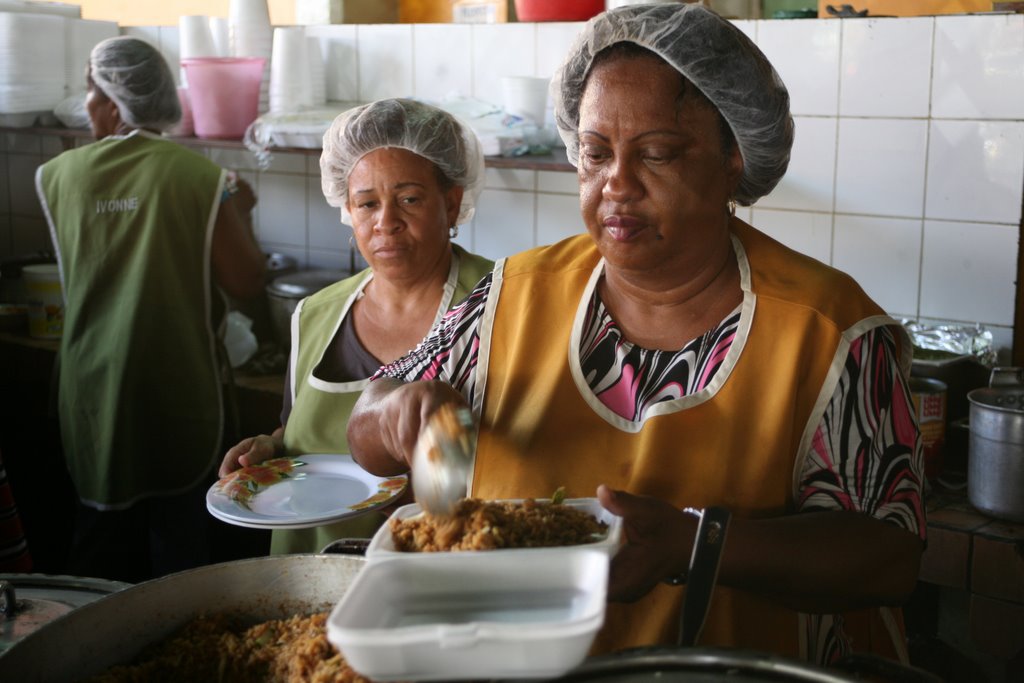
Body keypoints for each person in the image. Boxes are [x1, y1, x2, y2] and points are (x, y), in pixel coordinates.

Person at [347, 4, 925, 668]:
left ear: (733, 157)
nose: (616, 184)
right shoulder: (512, 295)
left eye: (656, 152)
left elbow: (889, 558)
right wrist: (395, 413)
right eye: (595, 153)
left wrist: (694, 544)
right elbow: (368, 429)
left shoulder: (830, 331)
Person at [35, 36, 266, 583]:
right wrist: (240, 210)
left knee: (94, 547)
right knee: (180, 555)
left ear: (113, 102)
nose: (86, 106)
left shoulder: (56, 176)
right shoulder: (199, 177)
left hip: (91, 391)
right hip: (177, 392)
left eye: (90, 93)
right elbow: (247, 280)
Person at [218, 98, 494, 555]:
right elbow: (294, 435)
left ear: (451, 202)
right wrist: (268, 449)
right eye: (367, 203)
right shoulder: (314, 314)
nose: (385, 223)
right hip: (307, 579)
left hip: (439, 576)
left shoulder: (500, 302)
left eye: (409, 199)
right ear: (348, 210)